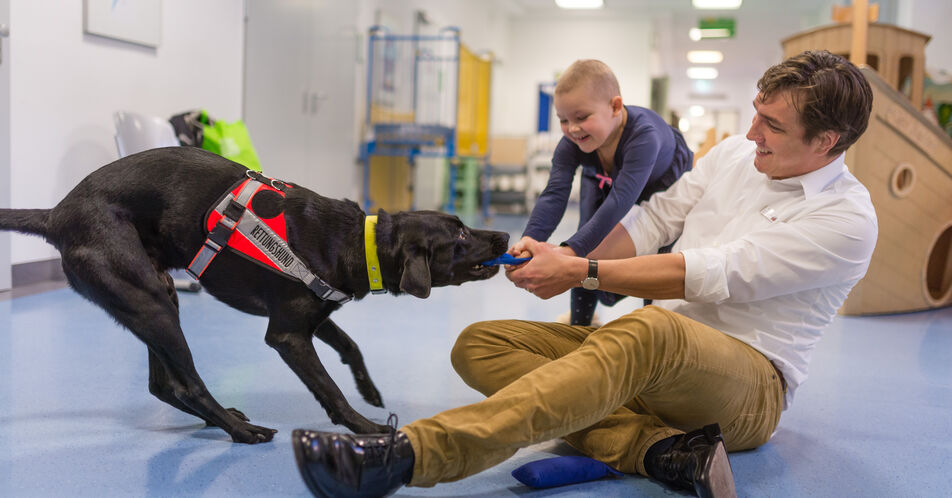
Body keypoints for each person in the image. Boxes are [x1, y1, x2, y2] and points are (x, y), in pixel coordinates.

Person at [291, 50, 876, 498]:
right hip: (654, 354)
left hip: (747, 385)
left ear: (826, 141)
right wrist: (565, 263)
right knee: (482, 344)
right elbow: (655, 218)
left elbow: (708, 273)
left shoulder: (846, 220)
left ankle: (409, 457)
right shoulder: (733, 156)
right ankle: (658, 451)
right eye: (755, 114)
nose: (752, 133)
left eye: (770, 125)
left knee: (650, 333)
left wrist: (581, 271)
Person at [519, 59, 693, 326]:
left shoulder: (644, 136)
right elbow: (555, 192)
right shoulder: (574, 141)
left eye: (581, 117)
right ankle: (580, 325)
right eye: (563, 120)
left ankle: (655, 326)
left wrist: (568, 254)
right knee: (584, 245)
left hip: (660, 183)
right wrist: (530, 239)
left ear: (615, 106)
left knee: (657, 255)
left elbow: (621, 200)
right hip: (605, 179)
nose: (572, 128)